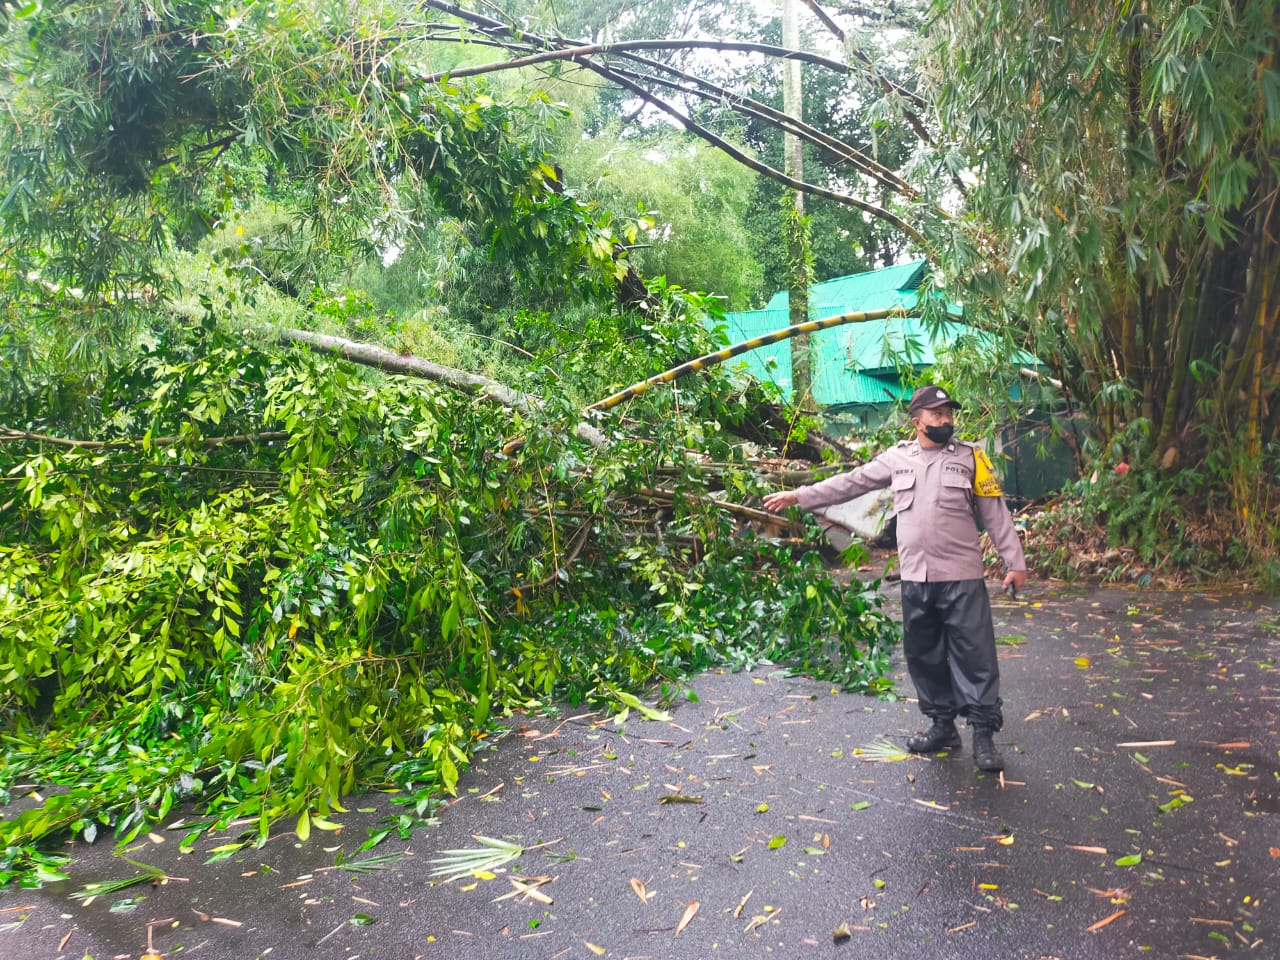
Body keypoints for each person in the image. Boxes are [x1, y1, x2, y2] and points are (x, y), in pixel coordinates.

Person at [762, 384, 1028, 772]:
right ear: (917, 421)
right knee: (925, 655)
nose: (946, 420)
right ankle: (942, 726)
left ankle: (984, 735)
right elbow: (850, 482)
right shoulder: (897, 459)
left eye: (949, 413)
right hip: (916, 577)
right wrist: (800, 496)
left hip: (962, 576)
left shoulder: (973, 458)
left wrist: (1014, 562)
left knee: (976, 656)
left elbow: (996, 513)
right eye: (937, 414)